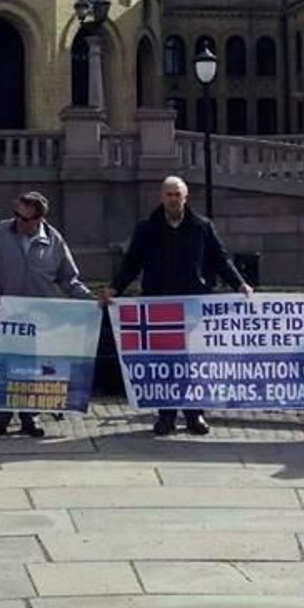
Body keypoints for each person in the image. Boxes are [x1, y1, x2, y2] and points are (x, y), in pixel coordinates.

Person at [102, 175, 252, 436]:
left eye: (177, 195)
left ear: (185, 198)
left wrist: (240, 285)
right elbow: (132, 263)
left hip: (194, 305)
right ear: (161, 197)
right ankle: (166, 416)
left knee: (194, 362)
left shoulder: (202, 226)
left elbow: (220, 259)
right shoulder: (146, 229)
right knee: (165, 363)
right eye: (168, 195)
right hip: (160, 307)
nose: (173, 199)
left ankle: (195, 415)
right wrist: (115, 288)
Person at [0, 191, 91, 439]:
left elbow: (69, 279)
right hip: (7, 315)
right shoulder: (2, 231)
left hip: (40, 319)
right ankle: (0, 416)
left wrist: (91, 301)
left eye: (25, 218)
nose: (18, 221)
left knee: (32, 368)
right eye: (16, 215)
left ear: (39, 219)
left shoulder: (54, 241)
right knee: (4, 365)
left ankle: (30, 416)